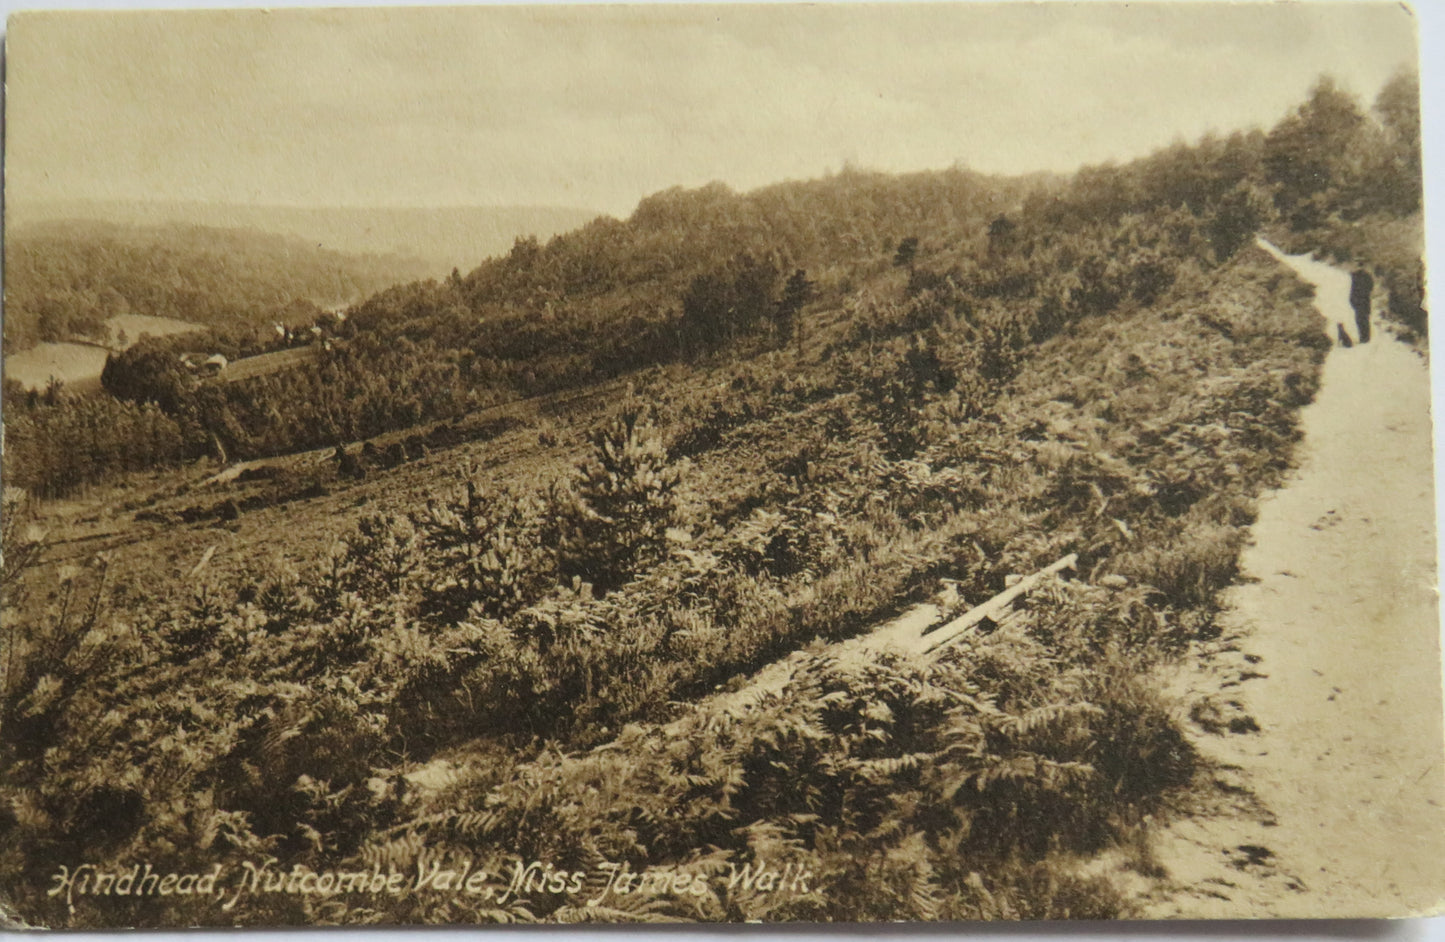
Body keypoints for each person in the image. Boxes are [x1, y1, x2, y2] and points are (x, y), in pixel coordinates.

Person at [1349, 266, 1374, 344]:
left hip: (1362, 300)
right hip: (1361, 300)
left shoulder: (1362, 276)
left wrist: (1352, 299)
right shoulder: (1357, 276)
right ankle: (1364, 337)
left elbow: (1370, 287)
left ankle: (1365, 337)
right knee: (1361, 319)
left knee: (1362, 319)